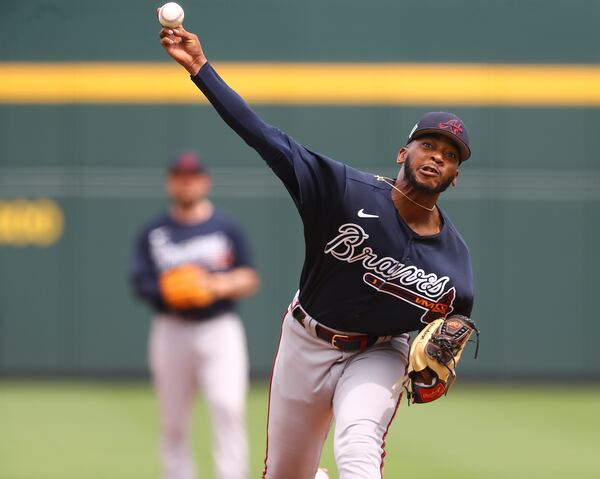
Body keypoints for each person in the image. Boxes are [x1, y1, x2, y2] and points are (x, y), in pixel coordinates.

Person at [158, 24, 475, 479]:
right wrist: (200, 69)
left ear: (455, 177)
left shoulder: (454, 258)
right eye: (428, 145)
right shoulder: (344, 191)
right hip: (307, 339)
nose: (437, 157)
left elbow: (458, 313)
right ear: (403, 152)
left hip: (379, 352)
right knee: (286, 474)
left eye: (450, 155)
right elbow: (263, 136)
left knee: (358, 446)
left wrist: (447, 342)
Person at [130, 152, 260, 479]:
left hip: (219, 329)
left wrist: (214, 285)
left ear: (204, 181)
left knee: (228, 408)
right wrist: (172, 290)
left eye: (192, 175)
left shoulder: (225, 226)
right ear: (170, 182)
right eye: (179, 176)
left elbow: (249, 277)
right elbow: (141, 282)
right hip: (171, 328)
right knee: (172, 420)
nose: (186, 181)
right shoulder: (154, 231)